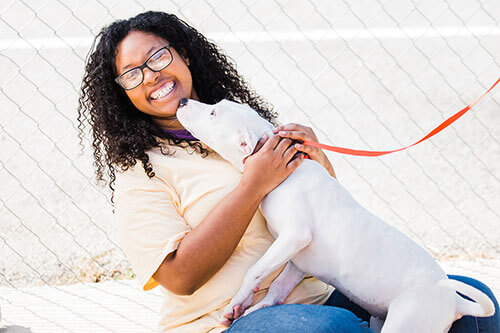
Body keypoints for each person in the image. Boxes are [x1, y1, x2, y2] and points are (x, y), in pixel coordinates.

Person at [77, 10, 499, 333]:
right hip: (225, 321)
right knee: (330, 329)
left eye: (158, 56)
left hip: (321, 293)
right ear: (123, 92)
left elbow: (325, 216)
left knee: (471, 306)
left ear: (183, 54)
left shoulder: (237, 123)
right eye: (133, 74)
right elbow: (179, 277)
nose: (152, 75)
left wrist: (315, 158)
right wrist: (253, 184)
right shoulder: (141, 172)